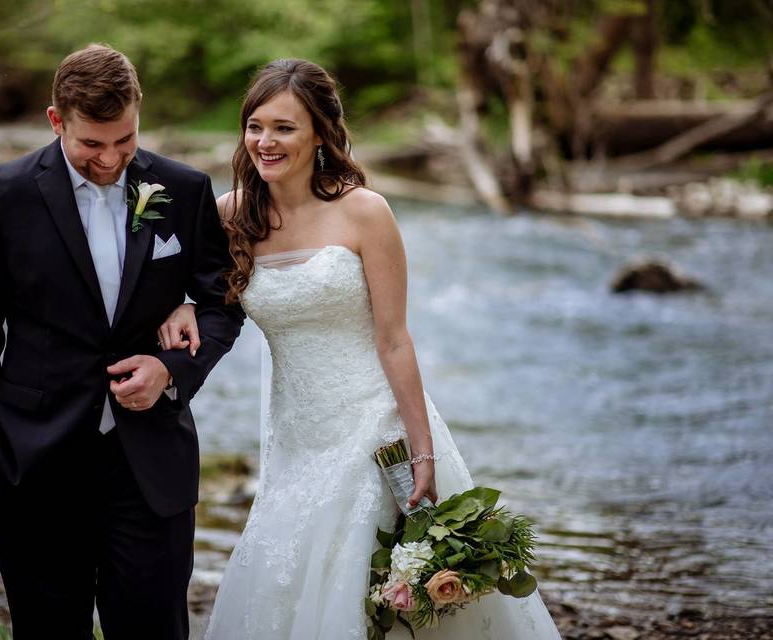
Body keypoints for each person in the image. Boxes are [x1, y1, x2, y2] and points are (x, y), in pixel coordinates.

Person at [157, 58, 561, 638]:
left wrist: (422, 452)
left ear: (320, 132)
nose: (265, 142)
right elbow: (189, 290)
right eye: (255, 126)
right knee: (287, 579)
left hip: (377, 430)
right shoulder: (230, 215)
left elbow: (394, 338)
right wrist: (185, 303)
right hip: (294, 440)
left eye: (284, 128)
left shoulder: (364, 212)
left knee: (387, 591)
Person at [0, 44, 243, 639]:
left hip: (149, 463)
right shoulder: (6, 193)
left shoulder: (183, 190)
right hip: (32, 461)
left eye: (125, 140)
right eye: (92, 144)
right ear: (57, 121)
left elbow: (221, 303)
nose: (110, 159)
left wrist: (170, 370)